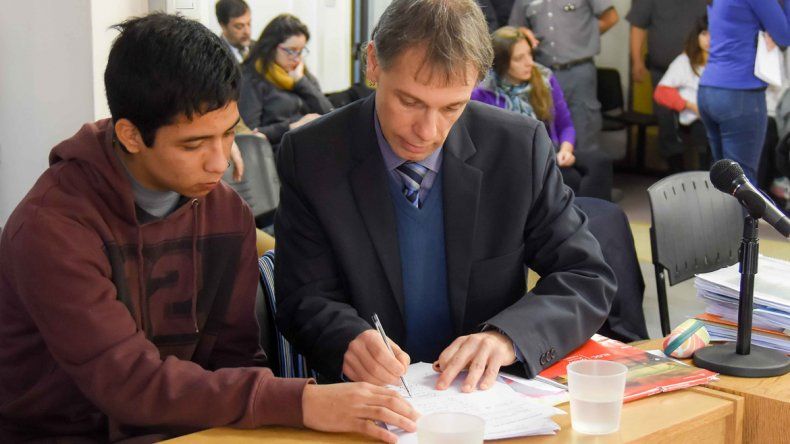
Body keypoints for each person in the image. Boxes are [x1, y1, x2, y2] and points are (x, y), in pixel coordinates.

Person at [0, 13, 417, 444]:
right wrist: (301, 402)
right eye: (193, 145)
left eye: (227, 134)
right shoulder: (51, 227)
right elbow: (127, 382)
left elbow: (236, 358)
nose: (219, 163)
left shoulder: (225, 213)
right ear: (130, 135)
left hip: (189, 430)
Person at [275, 0, 616, 392]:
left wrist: (506, 338)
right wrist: (347, 339)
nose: (427, 130)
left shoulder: (518, 148)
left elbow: (586, 276)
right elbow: (303, 295)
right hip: (368, 398)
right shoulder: (313, 155)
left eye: (453, 106)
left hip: (485, 399)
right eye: (409, 101)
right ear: (372, 63)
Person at [472, 26, 613, 200]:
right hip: (514, 160)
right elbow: (485, 144)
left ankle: (592, 218)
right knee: (571, 179)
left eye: (530, 55)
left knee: (600, 162)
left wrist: (566, 149)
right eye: (519, 58)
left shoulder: (544, 77)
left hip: (551, 151)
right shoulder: (483, 92)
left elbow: (565, 125)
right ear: (502, 62)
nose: (529, 62)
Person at [508, 0, 619, 153]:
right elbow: (513, 31)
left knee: (584, 129)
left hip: (578, 71)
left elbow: (611, 17)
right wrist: (522, 33)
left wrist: (585, 38)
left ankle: (586, 174)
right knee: (547, 133)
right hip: (542, 74)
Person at [699, 0, 790, 184]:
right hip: (740, 93)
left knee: (721, 177)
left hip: (709, 89)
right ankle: (737, 214)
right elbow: (785, 35)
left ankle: (720, 214)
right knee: (743, 183)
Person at [626, 0, 707, 173]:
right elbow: (638, 26)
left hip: (701, 73)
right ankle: (675, 175)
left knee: (703, 128)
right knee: (667, 126)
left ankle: (706, 176)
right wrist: (637, 62)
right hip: (662, 72)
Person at [238, 14, 333, 148]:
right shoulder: (253, 78)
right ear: (272, 47)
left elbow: (330, 113)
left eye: (300, 51)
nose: (296, 58)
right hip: (277, 153)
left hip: (310, 147)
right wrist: (293, 126)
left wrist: (301, 82)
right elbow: (249, 133)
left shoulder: (300, 75)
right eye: (291, 51)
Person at [652, 17, 710, 171]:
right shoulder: (685, 61)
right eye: (704, 34)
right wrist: (690, 106)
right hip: (694, 121)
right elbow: (661, 92)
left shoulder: (723, 63)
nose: (709, 39)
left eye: (713, 34)